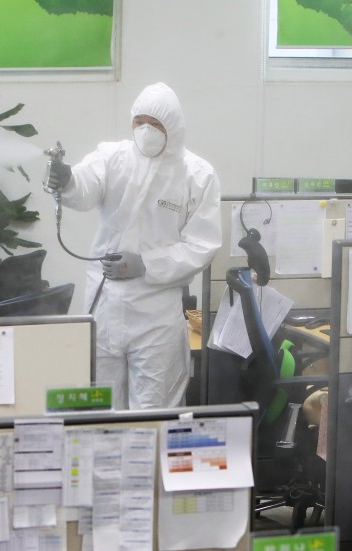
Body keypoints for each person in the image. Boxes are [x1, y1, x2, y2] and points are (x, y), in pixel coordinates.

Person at [46, 82, 221, 410]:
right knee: (100, 410)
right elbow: (86, 186)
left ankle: (151, 464)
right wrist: (68, 179)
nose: (146, 131)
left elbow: (203, 244)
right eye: (139, 122)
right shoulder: (112, 157)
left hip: (156, 314)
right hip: (105, 305)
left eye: (155, 124)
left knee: (154, 414)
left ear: (173, 129)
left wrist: (147, 264)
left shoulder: (197, 175)